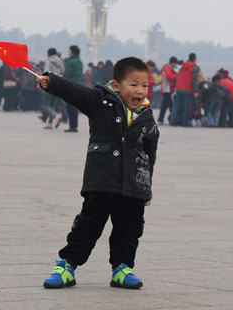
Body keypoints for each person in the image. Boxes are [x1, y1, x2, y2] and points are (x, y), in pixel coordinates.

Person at [39, 57, 159, 290]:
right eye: (133, 84)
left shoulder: (147, 118)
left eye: (144, 85)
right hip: (102, 181)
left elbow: (149, 155)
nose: (140, 91)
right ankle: (66, 265)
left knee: (130, 228)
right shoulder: (100, 102)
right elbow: (76, 92)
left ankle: (122, 268)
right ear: (116, 86)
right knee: (88, 225)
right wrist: (52, 82)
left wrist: (147, 187)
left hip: (133, 186)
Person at [170, 53, 199, 126]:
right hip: (187, 89)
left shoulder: (183, 66)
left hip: (179, 88)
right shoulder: (194, 67)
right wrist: (195, 91)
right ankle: (185, 122)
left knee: (176, 105)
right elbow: (194, 80)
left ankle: (172, 120)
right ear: (194, 59)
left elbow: (177, 77)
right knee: (186, 107)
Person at [63, 45, 83, 132]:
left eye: (69, 51)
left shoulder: (70, 62)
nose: (68, 52)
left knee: (70, 106)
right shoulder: (80, 62)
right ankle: (74, 125)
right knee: (74, 106)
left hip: (70, 85)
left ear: (72, 52)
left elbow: (66, 75)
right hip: (78, 85)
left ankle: (72, 126)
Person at [157, 57, 178, 125]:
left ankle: (161, 119)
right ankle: (172, 119)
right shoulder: (167, 68)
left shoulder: (170, 68)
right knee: (170, 105)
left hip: (169, 90)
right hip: (166, 90)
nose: (176, 66)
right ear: (173, 63)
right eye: (175, 64)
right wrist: (177, 75)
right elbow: (169, 77)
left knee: (164, 106)